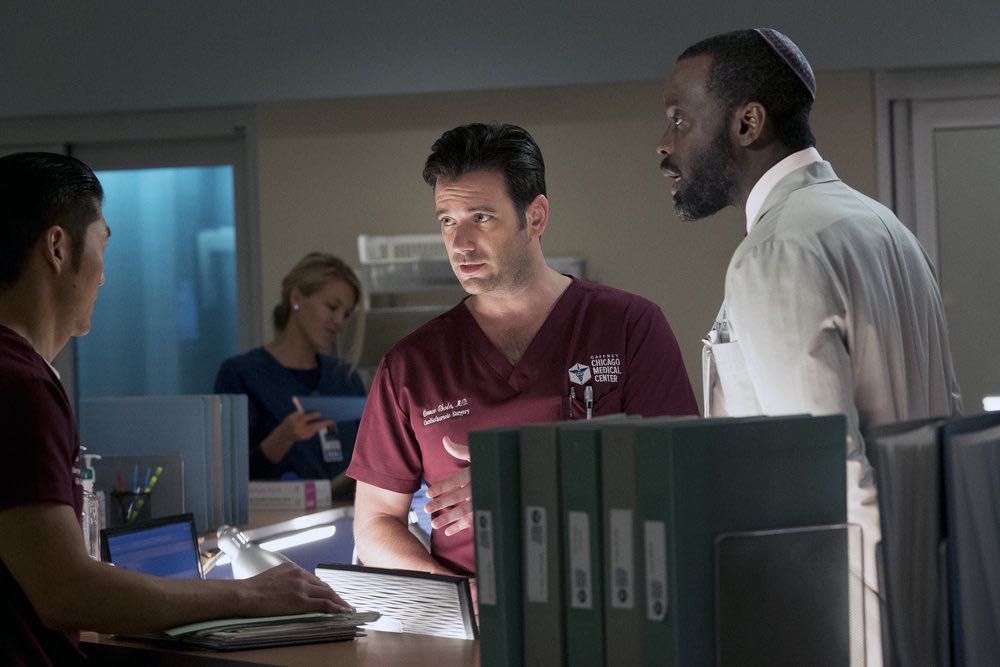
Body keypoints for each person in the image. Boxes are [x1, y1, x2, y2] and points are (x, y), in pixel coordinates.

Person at [656, 29, 962, 664]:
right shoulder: (884, 226)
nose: (664, 145)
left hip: (854, 630)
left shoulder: (778, 250)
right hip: (930, 603)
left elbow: (829, 479)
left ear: (747, 123)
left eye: (680, 120)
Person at [0, 152, 351, 665]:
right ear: (57, 248)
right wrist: (250, 595)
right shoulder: (21, 386)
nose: (103, 277)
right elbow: (66, 591)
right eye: (102, 244)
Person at [348, 123, 699, 581]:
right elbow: (375, 523)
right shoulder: (412, 365)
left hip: (609, 602)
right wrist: (460, 596)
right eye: (447, 220)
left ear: (535, 217)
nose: (460, 243)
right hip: (473, 617)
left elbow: (679, 474)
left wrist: (525, 482)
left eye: (481, 218)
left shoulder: (628, 325)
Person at [214, 253, 365, 498]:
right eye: (332, 307)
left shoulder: (345, 379)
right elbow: (229, 477)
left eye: (346, 314)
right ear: (296, 298)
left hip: (346, 514)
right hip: (275, 518)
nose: (339, 321)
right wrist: (282, 438)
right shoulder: (241, 375)